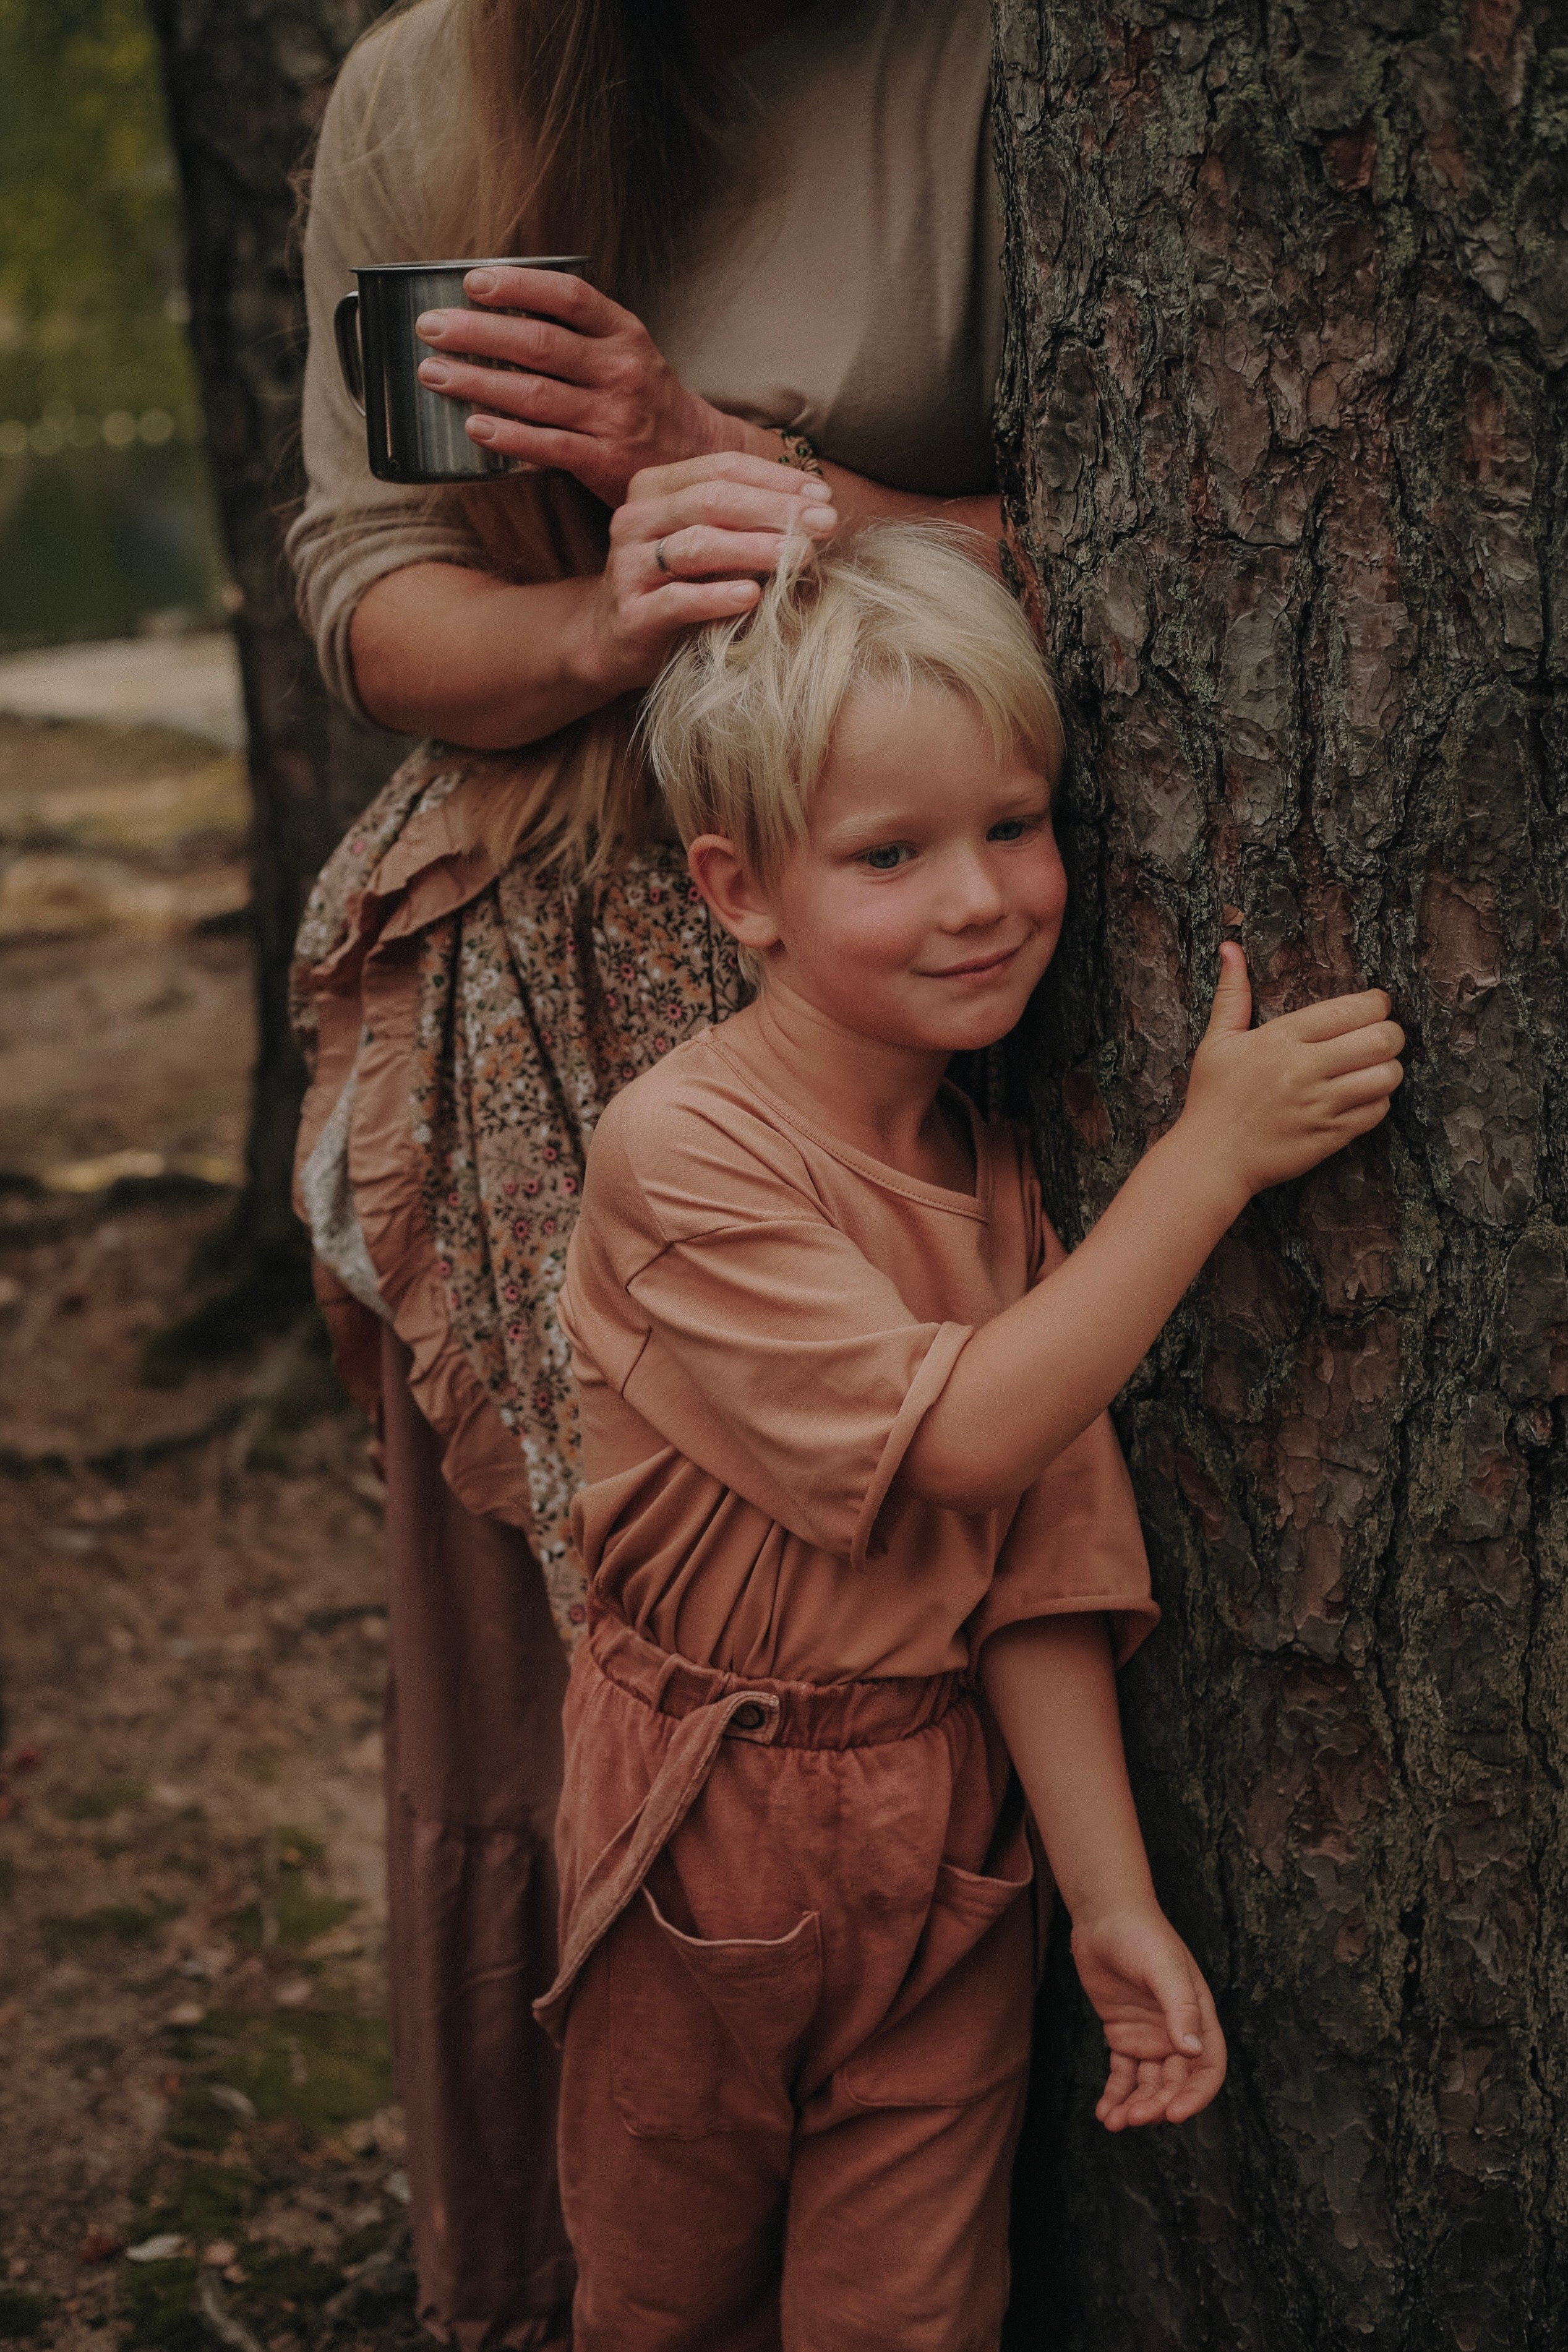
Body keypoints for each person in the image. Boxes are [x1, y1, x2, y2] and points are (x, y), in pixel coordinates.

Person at [286, 2, 1008, 2342]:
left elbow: (1201, 527)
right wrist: (603, 614)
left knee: (908, 1681)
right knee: (564, 1706)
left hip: (881, 989)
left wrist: (749, 474)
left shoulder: (1006, 53)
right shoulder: (439, 84)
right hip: (534, 1032)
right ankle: (573, 2282)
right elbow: (370, 583)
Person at [542, 523, 1406, 2349]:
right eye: (890, 853)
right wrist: (1210, 1160)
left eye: (1015, 824)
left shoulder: (998, 1179)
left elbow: (1031, 1571)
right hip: (714, 1827)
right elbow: (956, 1438)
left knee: (913, 2314)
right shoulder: (686, 1155)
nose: (981, 897)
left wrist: (1108, 1905)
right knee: (665, 2299)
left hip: (950, 1837)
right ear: (737, 890)